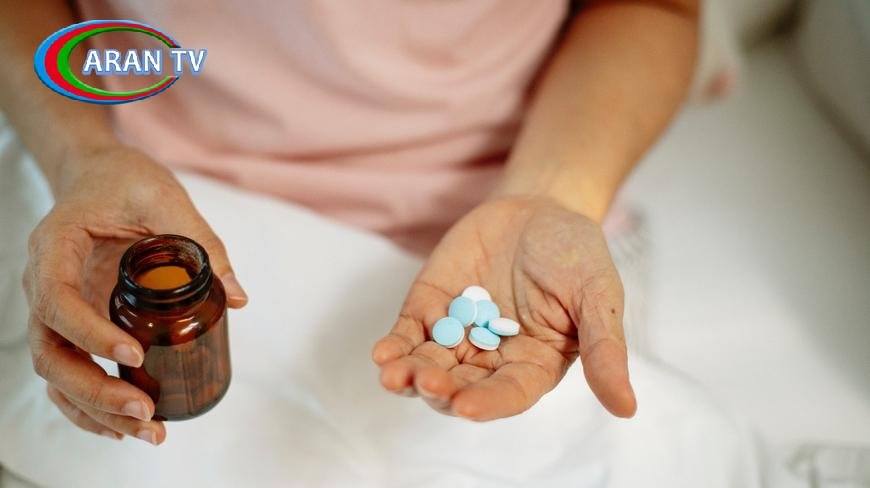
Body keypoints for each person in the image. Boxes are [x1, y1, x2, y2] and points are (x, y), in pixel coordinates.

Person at [0, 0, 698, 445]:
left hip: (520, 196)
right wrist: (81, 157)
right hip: (143, 197)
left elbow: (656, 7)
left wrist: (552, 195)